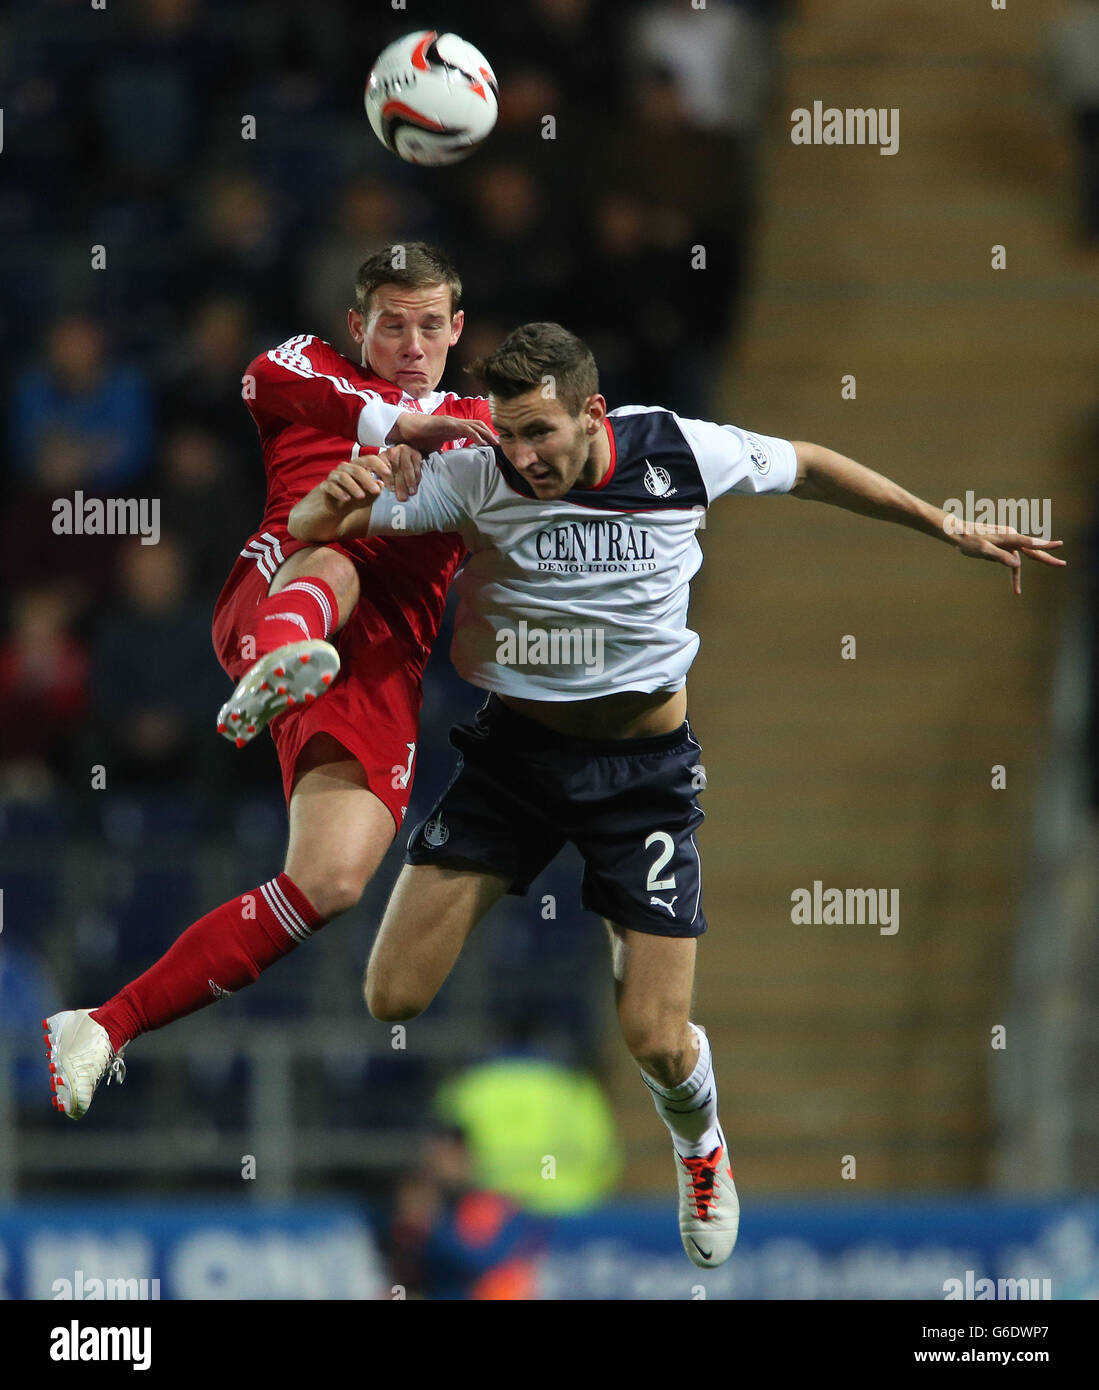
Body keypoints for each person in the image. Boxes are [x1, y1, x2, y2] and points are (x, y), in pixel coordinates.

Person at [287, 321, 1066, 1268]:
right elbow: (315, 532)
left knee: (655, 1038)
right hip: (515, 763)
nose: (524, 456)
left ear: (592, 414)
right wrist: (347, 488)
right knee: (391, 998)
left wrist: (942, 522)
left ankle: (699, 1146)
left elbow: (810, 464)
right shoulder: (470, 474)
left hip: (639, 779)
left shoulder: (677, 451)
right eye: (508, 433)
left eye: (541, 432)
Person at [44, 242, 496, 1120]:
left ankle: (104, 1023)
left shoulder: (478, 417)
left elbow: (563, 454)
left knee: (329, 883)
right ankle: (275, 662)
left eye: (429, 325)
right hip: (282, 583)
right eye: (390, 324)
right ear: (355, 324)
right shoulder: (304, 364)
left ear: (457, 330)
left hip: (377, 668)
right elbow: (258, 378)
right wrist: (404, 429)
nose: (410, 342)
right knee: (336, 560)